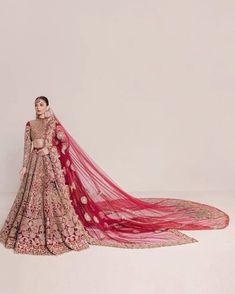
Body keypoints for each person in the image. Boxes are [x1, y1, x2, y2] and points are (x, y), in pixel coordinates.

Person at [0, 96, 230, 255]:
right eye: (36, 104)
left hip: (49, 163)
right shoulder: (29, 124)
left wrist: (55, 143)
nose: (38, 107)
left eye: (41, 104)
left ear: (48, 106)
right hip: (34, 163)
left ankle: (57, 228)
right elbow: (26, 147)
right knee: (31, 197)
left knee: (54, 196)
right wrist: (23, 166)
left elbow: (63, 142)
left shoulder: (53, 123)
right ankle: (32, 228)